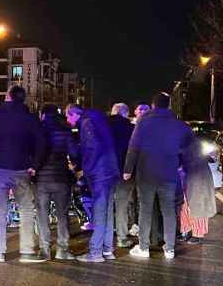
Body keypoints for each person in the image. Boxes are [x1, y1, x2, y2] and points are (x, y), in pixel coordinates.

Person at [0, 85, 46, 263]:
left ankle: (0, 251)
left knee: (0, 211)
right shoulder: (31, 118)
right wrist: (34, 165)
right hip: (22, 171)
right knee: (27, 210)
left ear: (8, 97)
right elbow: (41, 143)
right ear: (23, 99)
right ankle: (27, 251)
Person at [124, 92, 194, 259]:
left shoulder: (143, 122)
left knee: (146, 210)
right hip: (169, 174)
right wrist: (182, 164)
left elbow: (133, 147)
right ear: (169, 105)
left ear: (153, 105)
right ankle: (169, 248)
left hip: (146, 174)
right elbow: (188, 146)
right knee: (169, 210)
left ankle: (143, 247)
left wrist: (128, 169)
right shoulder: (178, 125)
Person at [66, 104, 120, 263]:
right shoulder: (98, 118)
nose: (69, 121)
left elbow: (92, 148)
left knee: (99, 212)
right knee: (108, 212)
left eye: (68, 117)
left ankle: (95, 252)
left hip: (99, 173)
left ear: (74, 114)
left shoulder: (86, 122)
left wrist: (84, 169)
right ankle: (108, 249)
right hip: (111, 169)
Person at [36, 104, 78, 260]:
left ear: (42, 115)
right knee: (62, 214)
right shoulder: (64, 130)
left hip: (41, 179)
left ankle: (45, 249)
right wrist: (74, 165)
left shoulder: (38, 130)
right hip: (61, 178)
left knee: (42, 214)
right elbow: (74, 153)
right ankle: (63, 249)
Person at [178, 136, 216, 244]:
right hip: (187, 181)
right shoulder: (189, 150)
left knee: (198, 206)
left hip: (198, 182)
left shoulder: (196, 154)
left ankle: (198, 234)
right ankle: (186, 231)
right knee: (185, 206)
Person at [109, 103, 135, 248]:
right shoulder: (131, 129)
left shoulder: (104, 127)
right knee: (122, 205)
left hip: (106, 172)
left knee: (105, 205)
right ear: (126, 114)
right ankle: (122, 237)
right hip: (126, 173)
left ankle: (105, 239)